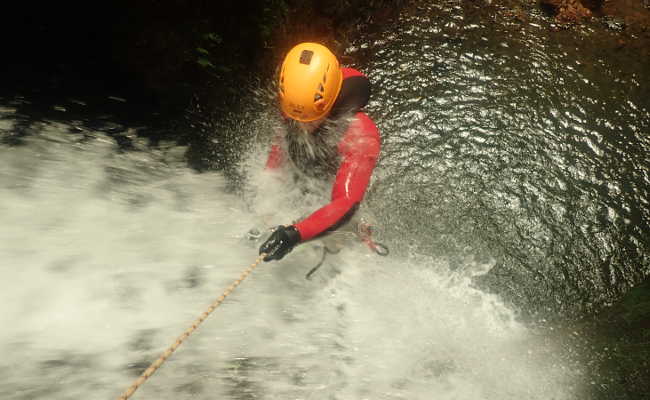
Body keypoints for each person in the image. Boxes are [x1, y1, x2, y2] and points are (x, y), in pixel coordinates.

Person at [259, 42, 381, 262]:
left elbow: (346, 202)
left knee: (341, 248)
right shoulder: (298, 102)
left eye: (310, 118)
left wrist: (296, 234)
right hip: (308, 177)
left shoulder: (360, 133)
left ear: (329, 101)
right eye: (295, 117)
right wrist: (266, 211)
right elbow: (277, 156)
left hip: (343, 198)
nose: (301, 124)